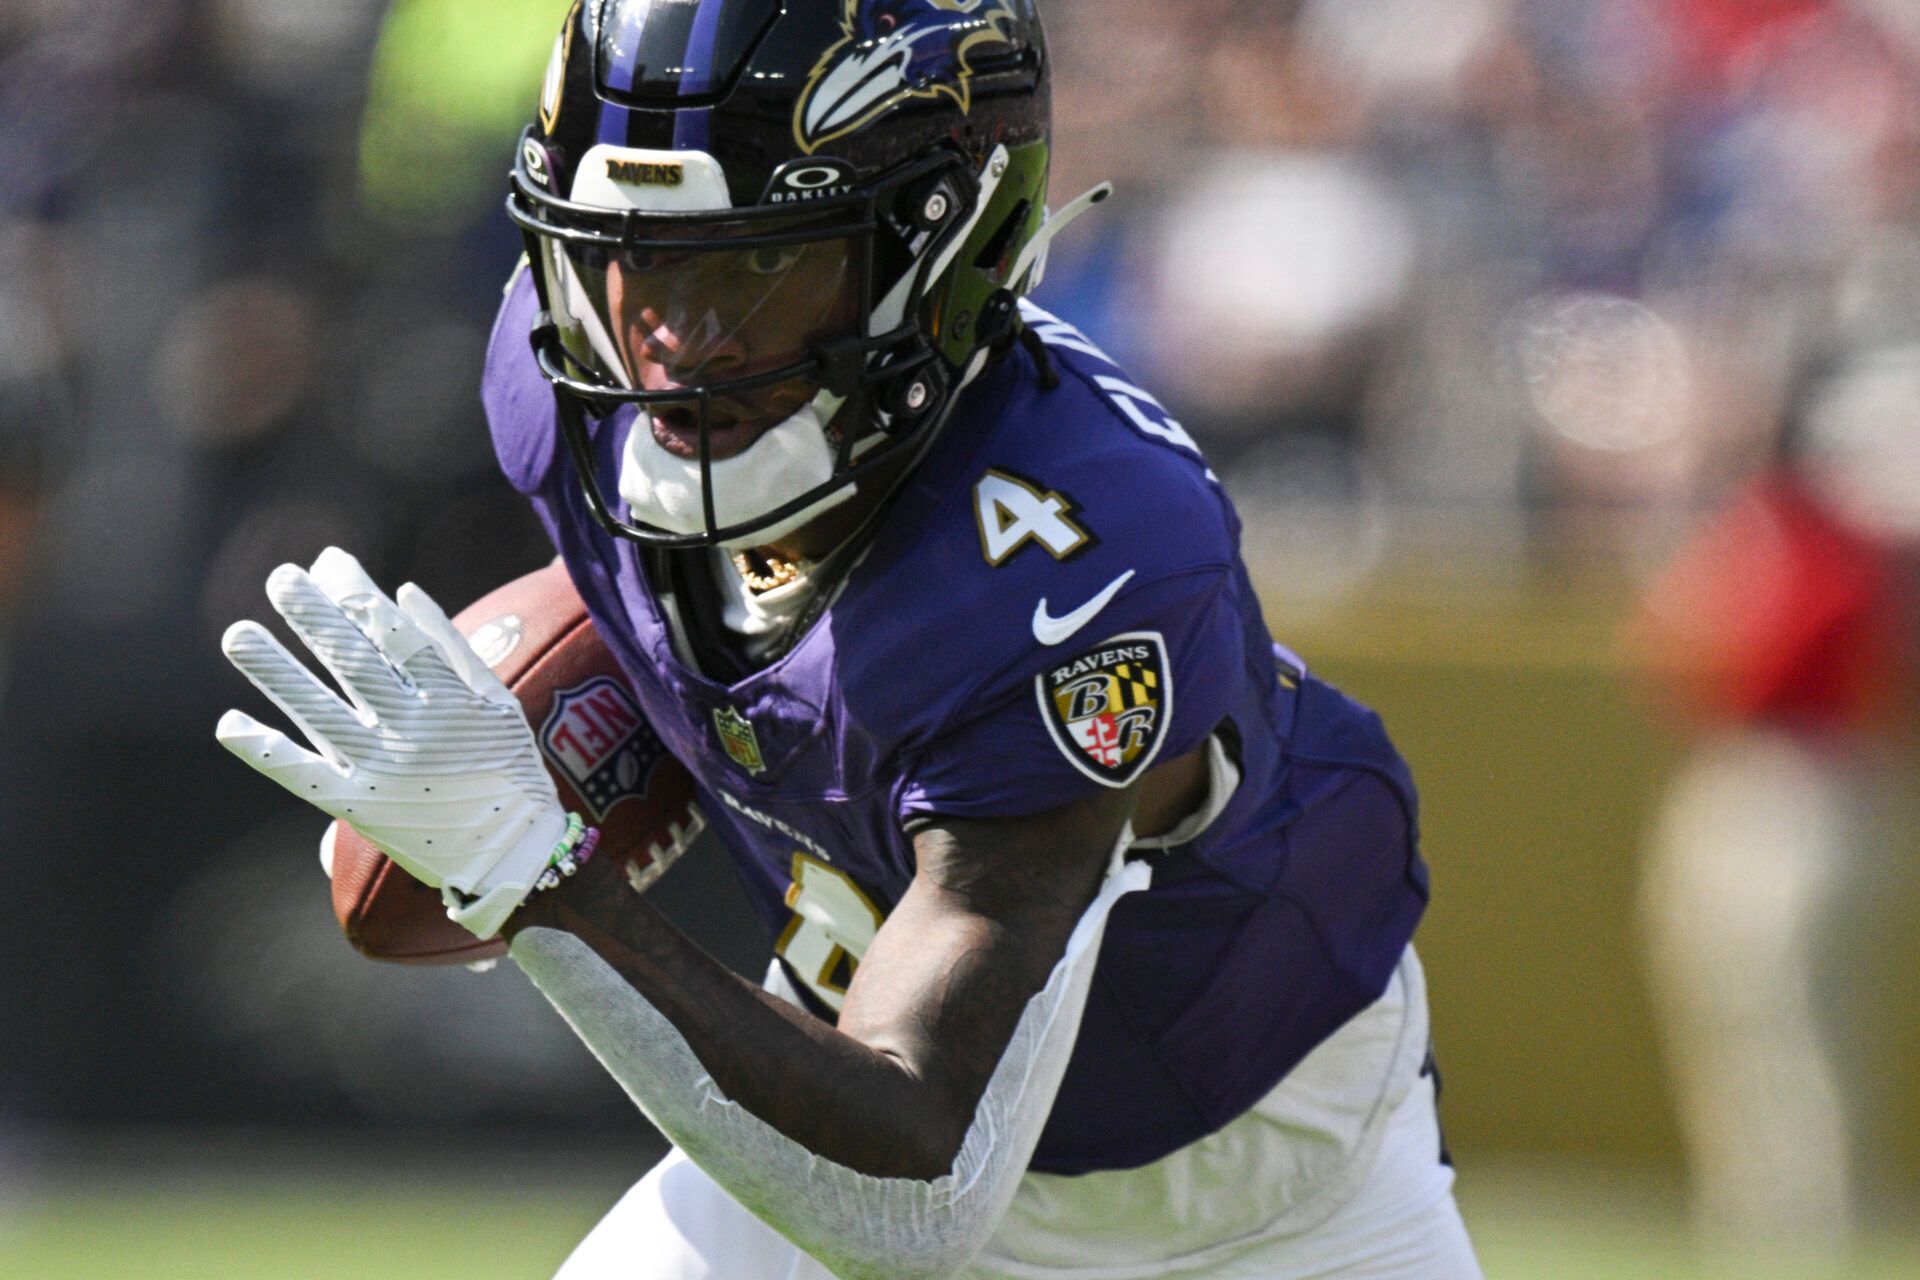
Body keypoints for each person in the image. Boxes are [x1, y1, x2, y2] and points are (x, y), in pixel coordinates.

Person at [216, 2, 1481, 1276]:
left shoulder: (1071, 565)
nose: (670, 344)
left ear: (943, 245)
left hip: (1257, 1188)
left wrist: (532, 875)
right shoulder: (565, 392)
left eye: (750, 271)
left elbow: (910, 1194)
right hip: (840, 1057)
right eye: (634, 261)